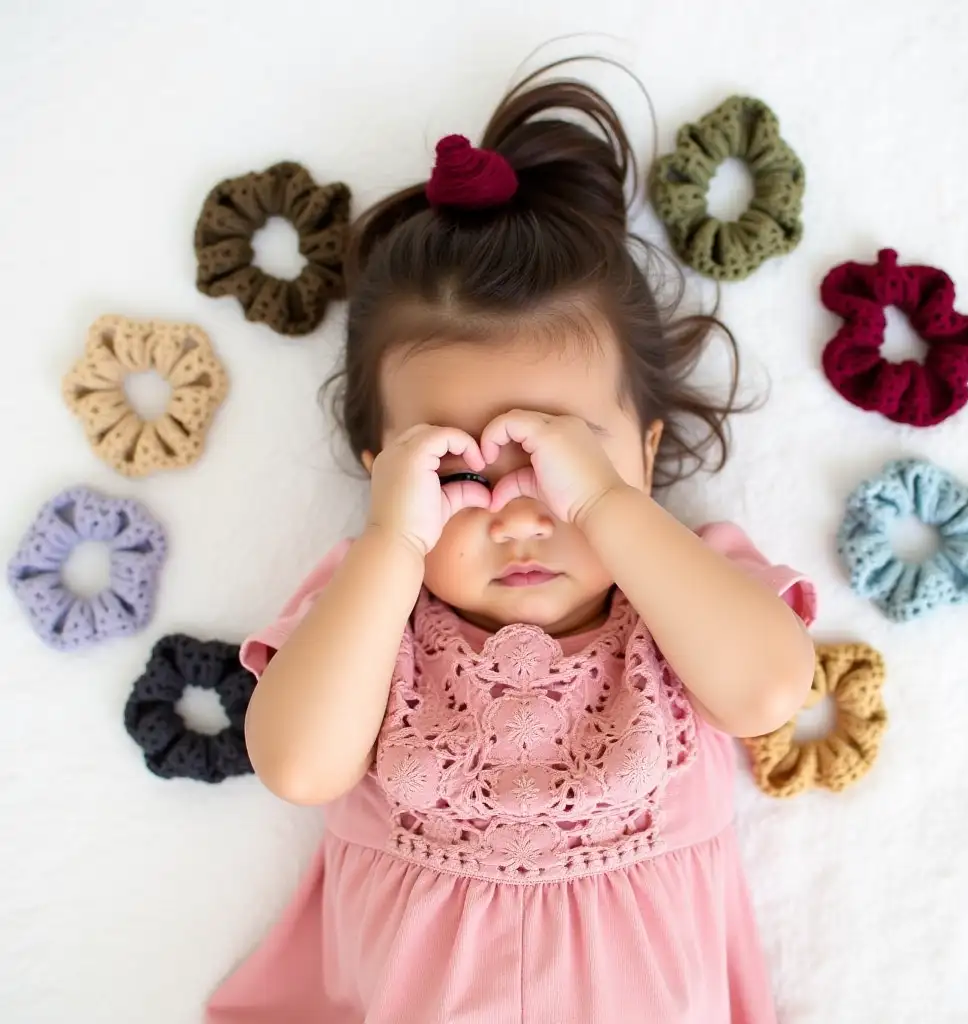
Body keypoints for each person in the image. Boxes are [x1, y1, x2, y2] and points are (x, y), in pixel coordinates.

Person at [206, 67, 817, 1024]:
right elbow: (297, 766)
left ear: (646, 456)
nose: (521, 511)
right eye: (459, 473)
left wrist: (611, 510)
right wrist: (387, 547)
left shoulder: (686, 592)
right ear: (388, 475)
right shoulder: (371, 611)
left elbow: (770, 691)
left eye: (558, 458)